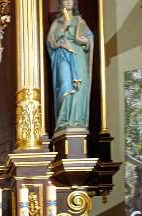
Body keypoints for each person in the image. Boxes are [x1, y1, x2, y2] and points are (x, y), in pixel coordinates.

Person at [46, 0, 94, 132]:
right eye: (64, 0)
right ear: (60, 3)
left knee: (80, 88)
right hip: (62, 54)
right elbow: (50, 41)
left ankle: (77, 120)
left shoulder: (80, 21)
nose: (67, 2)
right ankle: (64, 120)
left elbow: (90, 40)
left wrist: (85, 41)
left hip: (78, 56)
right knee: (66, 84)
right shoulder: (57, 23)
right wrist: (64, 29)